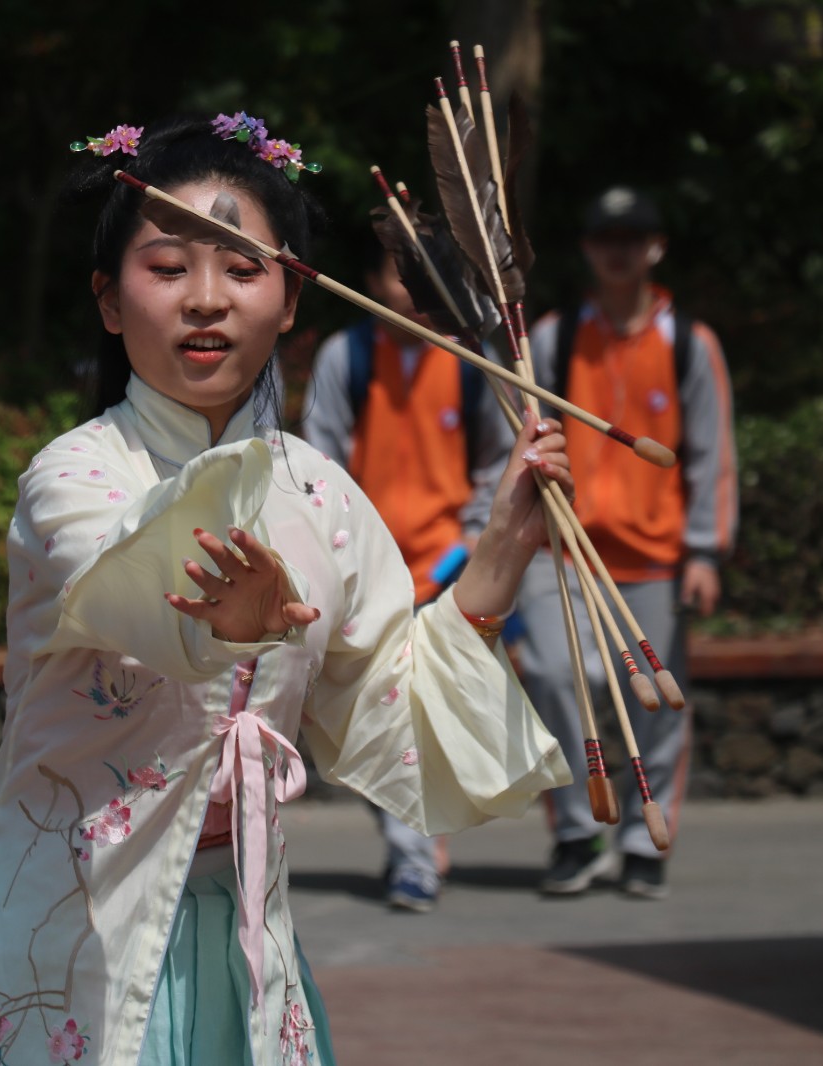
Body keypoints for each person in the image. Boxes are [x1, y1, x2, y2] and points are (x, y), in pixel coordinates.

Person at [0, 113, 573, 1065]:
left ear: (290, 298)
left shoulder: (322, 496)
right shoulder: (73, 478)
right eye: (167, 269)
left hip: (242, 938)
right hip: (55, 931)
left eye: (243, 269)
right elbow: (135, 586)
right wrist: (222, 623)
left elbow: (384, 706)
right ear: (109, 300)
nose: (205, 299)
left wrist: (497, 556)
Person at [519, 185, 737, 901]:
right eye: (604, 238)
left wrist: (704, 551)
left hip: (654, 559)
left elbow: (711, 453)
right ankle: (579, 831)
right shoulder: (551, 338)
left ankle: (645, 840)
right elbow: (517, 443)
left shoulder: (688, 342)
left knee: (658, 701)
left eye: (632, 237)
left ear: (655, 248)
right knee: (554, 676)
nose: (618, 251)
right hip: (562, 550)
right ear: (586, 249)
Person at [302, 239, 511, 912]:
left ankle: (421, 842)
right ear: (372, 280)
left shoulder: (472, 362)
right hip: (369, 571)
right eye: (398, 272)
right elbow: (319, 463)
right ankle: (413, 855)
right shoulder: (348, 358)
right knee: (380, 720)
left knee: (435, 718)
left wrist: (476, 541)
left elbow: (497, 460)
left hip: (450, 568)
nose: (410, 289)